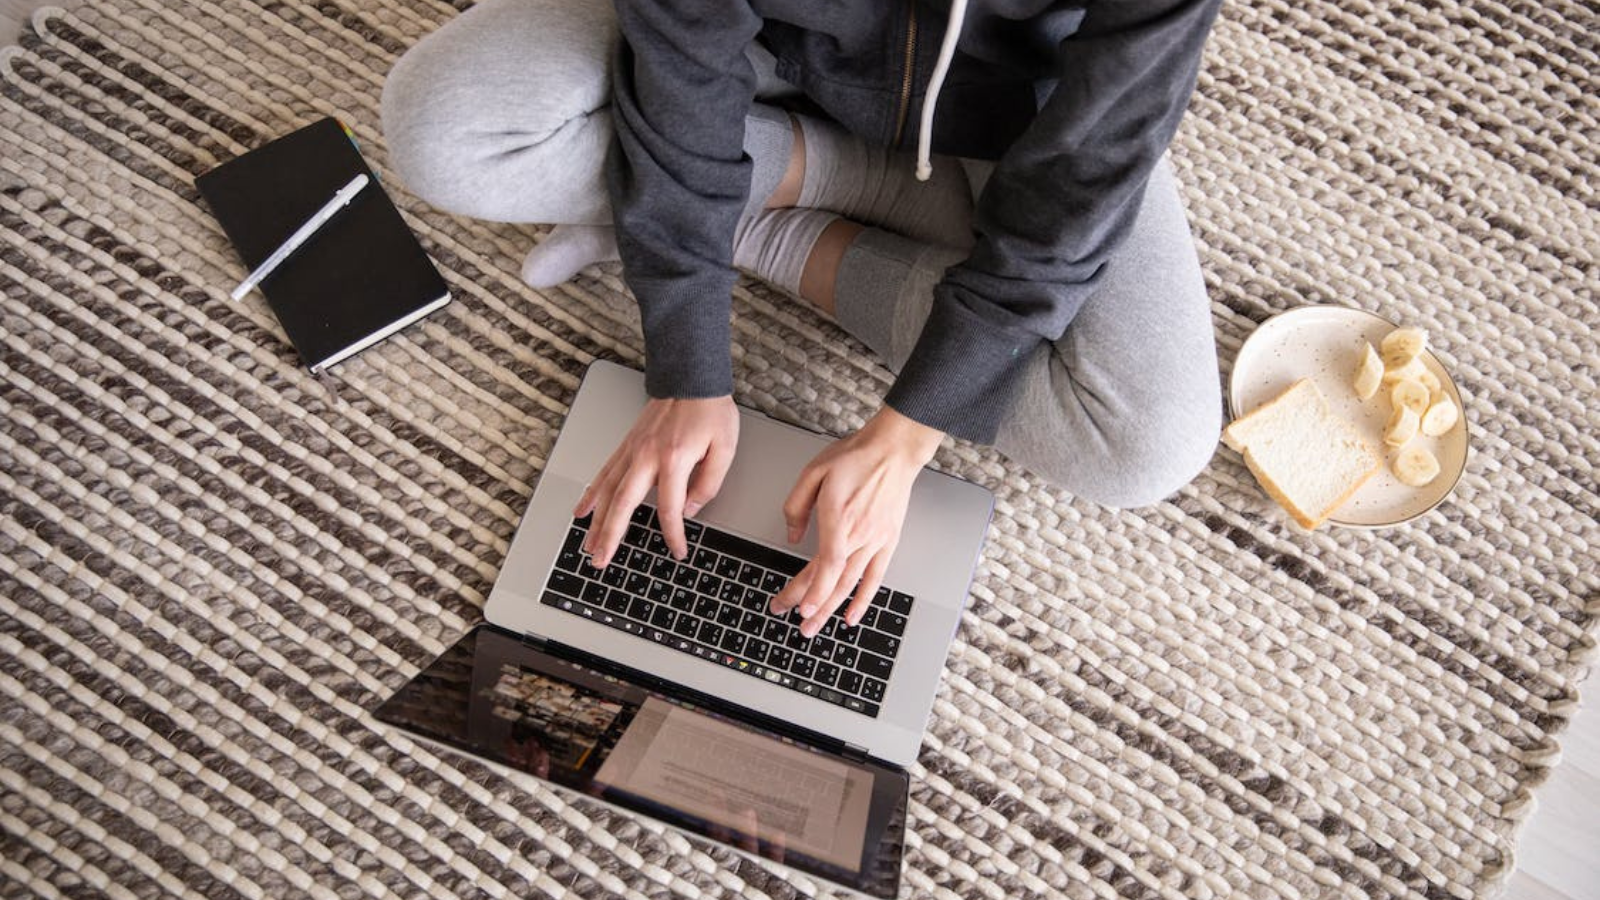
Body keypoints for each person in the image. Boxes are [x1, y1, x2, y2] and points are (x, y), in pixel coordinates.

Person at [382, 0, 1224, 639]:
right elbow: (682, 51)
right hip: (754, 55)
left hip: (1024, 119)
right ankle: (762, 198)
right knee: (443, 129)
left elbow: (1083, 171)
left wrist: (910, 428)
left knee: (1147, 442)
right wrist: (687, 364)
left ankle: (761, 203)